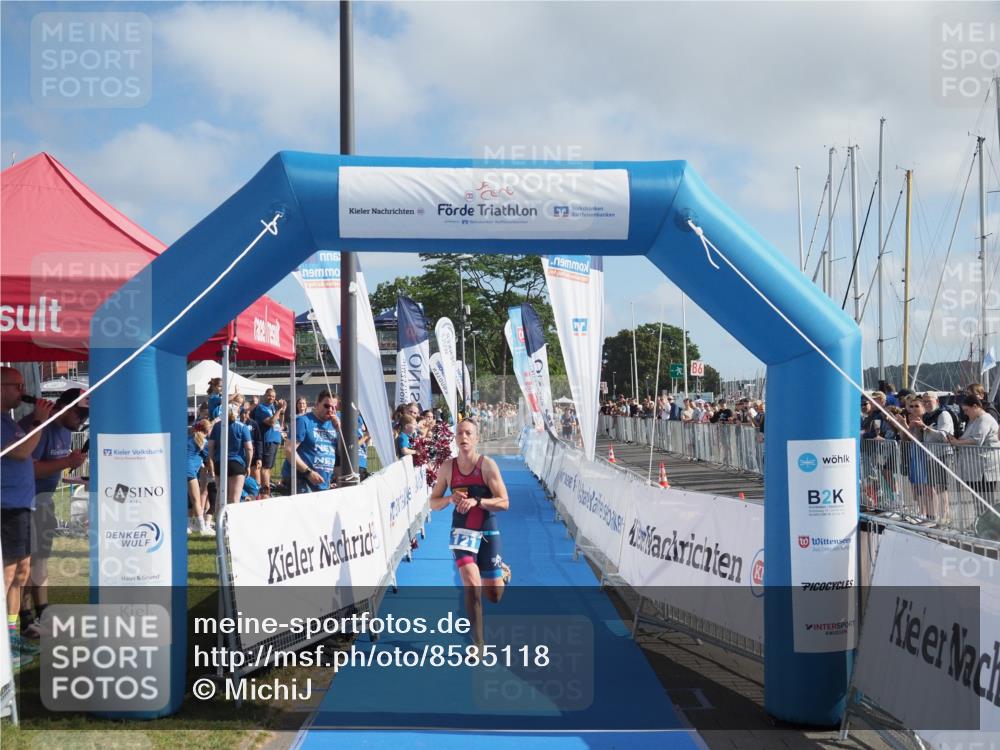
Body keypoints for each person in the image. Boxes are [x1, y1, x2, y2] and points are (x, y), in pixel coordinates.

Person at [429, 419, 511, 652]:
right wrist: (448, 499)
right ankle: (478, 643)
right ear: (455, 439)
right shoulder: (448, 467)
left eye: (468, 433)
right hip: (462, 531)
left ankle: (502, 573)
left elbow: (504, 502)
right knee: (471, 584)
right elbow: (432, 503)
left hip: (487, 530)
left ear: (476, 438)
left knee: (493, 595)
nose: (463, 437)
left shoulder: (487, 466)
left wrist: (479, 501)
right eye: (459, 433)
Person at [20, 388, 88, 639]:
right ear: (62, 407)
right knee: (23, 564)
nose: (82, 420)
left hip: (44, 501)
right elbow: (30, 469)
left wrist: (72, 467)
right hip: (24, 502)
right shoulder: (37, 427)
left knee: (40, 559)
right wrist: (67, 463)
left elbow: (58, 465)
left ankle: (43, 613)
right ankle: (25, 620)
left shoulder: (65, 429)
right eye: (79, 414)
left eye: (85, 415)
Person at [1, 367, 54, 670]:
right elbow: (21, 453)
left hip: (22, 506)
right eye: (16, 385)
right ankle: (3, 641)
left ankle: (11, 632)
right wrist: (39, 420)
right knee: (7, 574)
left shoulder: (11, 421)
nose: (22, 390)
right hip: (5, 507)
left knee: (22, 572)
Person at [283, 390, 340, 492]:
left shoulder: (334, 424)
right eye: (327, 406)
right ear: (317, 404)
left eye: (334, 407)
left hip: (322, 482)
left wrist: (339, 430)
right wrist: (308, 472)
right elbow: (289, 450)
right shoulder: (303, 421)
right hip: (301, 479)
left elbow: (340, 455)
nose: (331, 410)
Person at [947, 395, 1000, 503]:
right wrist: (956, 440)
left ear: (975, 406)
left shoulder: (984, 419)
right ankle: (981, 519)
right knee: (978, 500)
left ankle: (988, 520)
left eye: (966, 410)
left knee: (985, 500)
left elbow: (976, 440)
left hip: (984, 470)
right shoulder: (974, 420)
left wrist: (957, 442)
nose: (965, 413)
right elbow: (968, 437)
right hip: (975, 468)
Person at [207, 404, 253, 504]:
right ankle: (232, 519)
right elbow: (249, 448)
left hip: (220, 462)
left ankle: (218, 519)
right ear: (237, 413)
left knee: (220, 496)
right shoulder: (242, 427)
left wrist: (211, 462)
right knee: (234, 499)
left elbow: (210, 446)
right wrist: (248, 465)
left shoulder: (217, 426)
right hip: (236, 463)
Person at [252, 389, 286, 498]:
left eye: (273, 396)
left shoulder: (272, 408)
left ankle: (267, 491)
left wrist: (282, 411)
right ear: (265, 395)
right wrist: (278, 410)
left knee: (269, 468)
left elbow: (280, 424)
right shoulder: (262, 408)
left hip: (275, 440)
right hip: (267, 440)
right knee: (265, 468)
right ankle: (265, 494)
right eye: (269, 395)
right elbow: (271, 422)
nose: (271, 398)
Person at [187, 419, 213, 533]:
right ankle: (202, 527)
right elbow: (209, 460)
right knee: (196, 499)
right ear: (207, 430)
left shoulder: (190, 437)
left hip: (180, 469)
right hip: (189, 470)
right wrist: (212, 471)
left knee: (189, 498)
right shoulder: (204, 442)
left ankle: (187, 525)